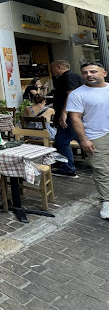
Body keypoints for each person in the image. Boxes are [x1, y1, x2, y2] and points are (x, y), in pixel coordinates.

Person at [66, 62, 109, 219]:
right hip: (96, 135)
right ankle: (107, 201)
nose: (89, 75)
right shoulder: (77, 94)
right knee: (102, 170)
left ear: (104, 73)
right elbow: (75, 118)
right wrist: (83, 139)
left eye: (93, 71)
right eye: (85, 73)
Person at [50, 60, 84, 178]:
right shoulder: (64, 78)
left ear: (59, 67)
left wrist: (64, 112)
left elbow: (71, 94)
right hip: (66, 115)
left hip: (72, 115)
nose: (51, 71)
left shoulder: (70, 76)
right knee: (61, 140)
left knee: (82, 139)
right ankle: (68, 168)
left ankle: (102, 163)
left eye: (52, 68)